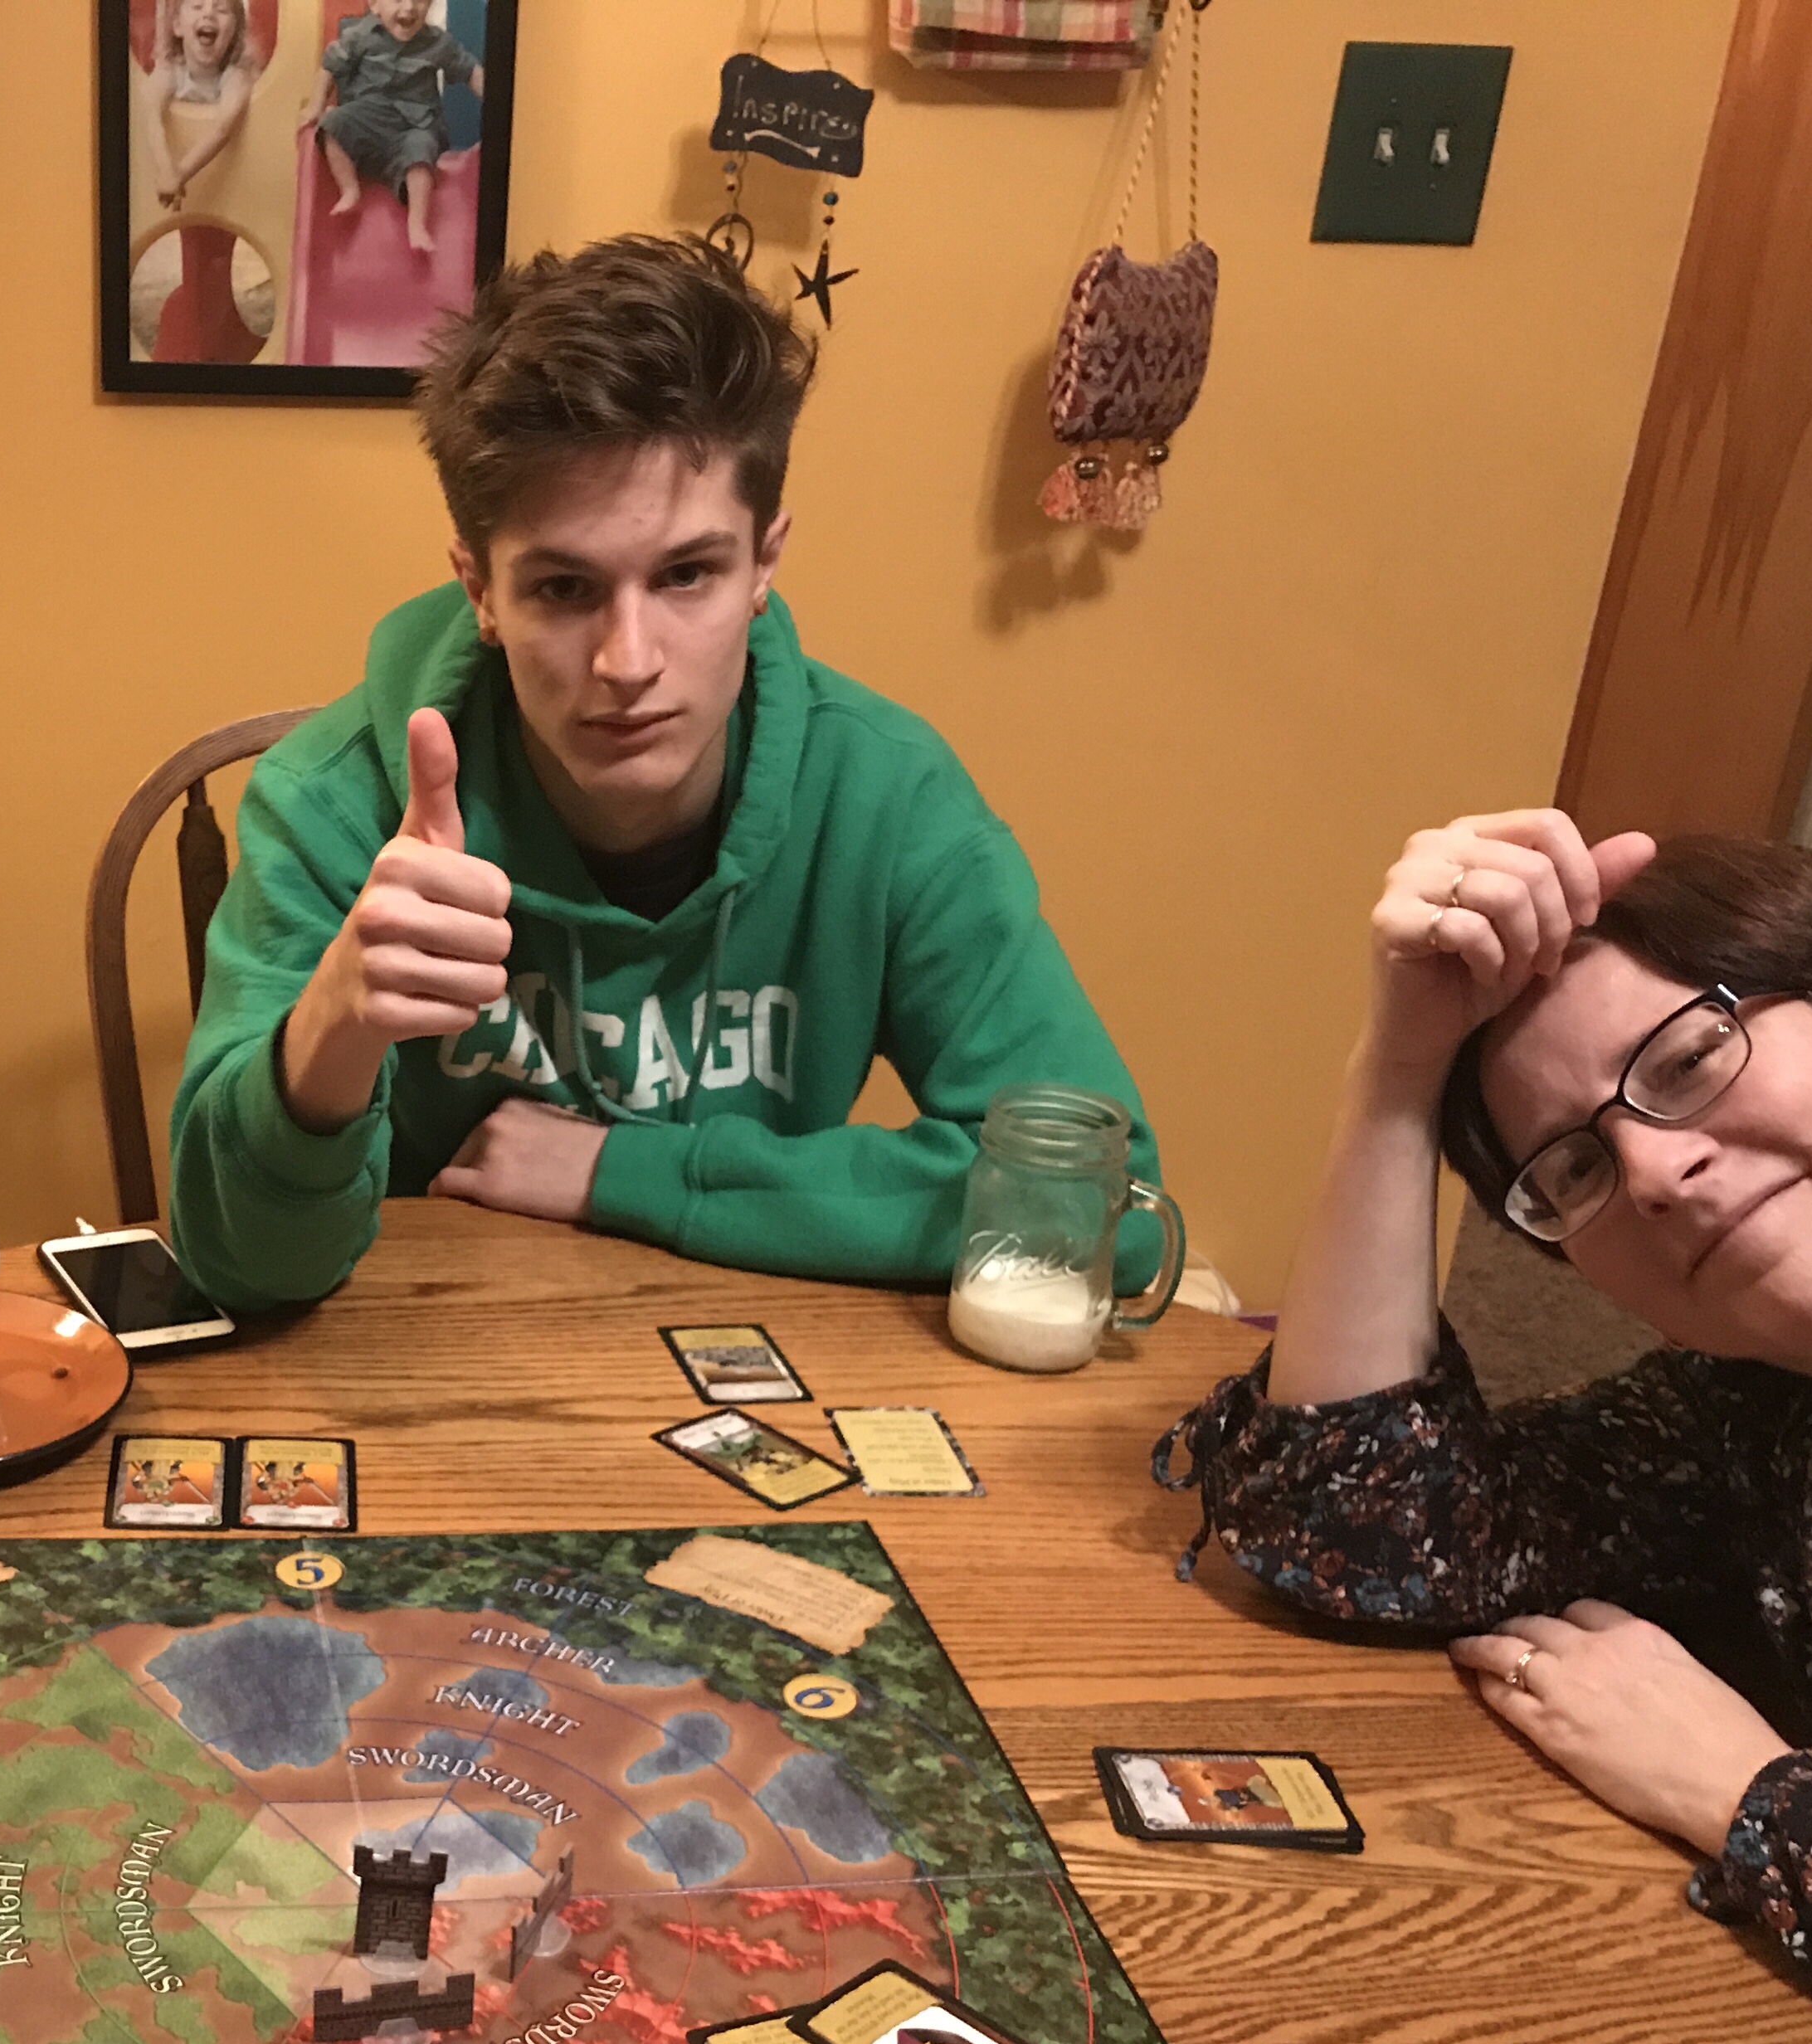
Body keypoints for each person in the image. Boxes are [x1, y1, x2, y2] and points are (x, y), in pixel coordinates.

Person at [1157, 812, 1812, 2044]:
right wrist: (1396, 1071)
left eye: (1690, 1059)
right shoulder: (1779, 1416)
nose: (1653, 1171)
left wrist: (1747, 1793)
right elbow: (1364, 1526)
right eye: (1578, 1168)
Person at [166, 232, 1160, 1313]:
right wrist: (337, 1025)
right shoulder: (336, 805)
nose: (628, 662)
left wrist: (629, 1170)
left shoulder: (888, 799)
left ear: (764, 563)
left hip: (753, 1354)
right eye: (563, 588)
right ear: (480, 590)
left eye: (687, 574)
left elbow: (1109, 1212)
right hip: (423, 1362)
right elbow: (241, 1266)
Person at [298, 0, 481, 255]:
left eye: (419, 0)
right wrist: (316, 106)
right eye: (397, 0)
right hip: (370, 118)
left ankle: (417, 224)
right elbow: (329, 68)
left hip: (416, 124)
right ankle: (349, 189)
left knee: (421, 152)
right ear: (375, 5)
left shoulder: (437, 42)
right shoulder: (360, 36)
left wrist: (499, 106)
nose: (409, 8)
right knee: (333, 124)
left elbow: (471, 71)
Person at [140, 0, 261, 212]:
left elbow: (223, 128)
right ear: (177, 25)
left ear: (236, 31)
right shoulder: (171, 71)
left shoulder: (235, 77)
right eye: (197, 6)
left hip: (228, 183)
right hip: (185, 183)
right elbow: (151, 114)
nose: (209, 14)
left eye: (221, 9)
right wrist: (165, 170)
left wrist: (180, 175)